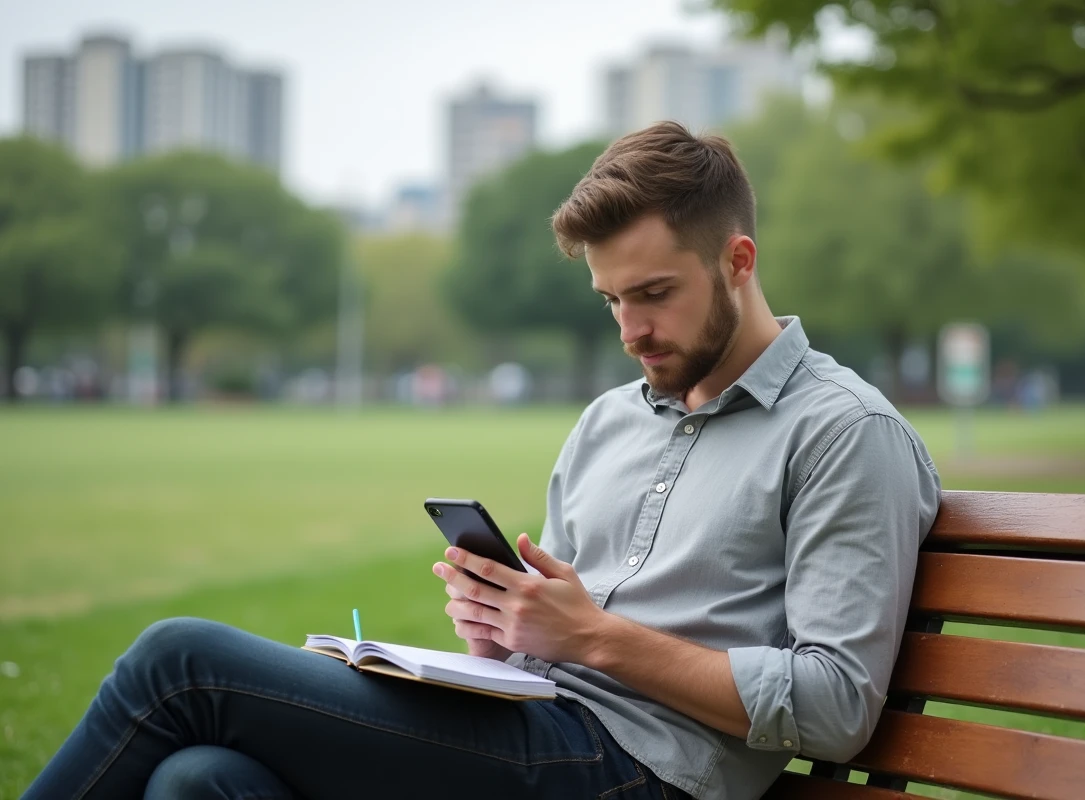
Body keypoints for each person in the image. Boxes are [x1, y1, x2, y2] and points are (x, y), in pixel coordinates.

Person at [22, 122, 941, 800]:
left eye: (655, 293)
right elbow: (562, 641)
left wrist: (592, 638)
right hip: (540, 730)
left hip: (648, 775)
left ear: (737, 260)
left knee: (179, 661)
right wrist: (506, 636)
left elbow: (835, 707)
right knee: (199, 781)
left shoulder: (843, 433)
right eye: (611, 300)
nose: (630, 331)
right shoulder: (610, 422)